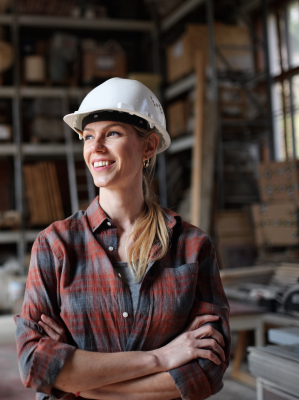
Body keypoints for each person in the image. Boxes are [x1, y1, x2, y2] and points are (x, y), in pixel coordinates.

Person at [15, 78, 230, 400]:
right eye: (88, 137)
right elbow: (35, 365)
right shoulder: (55, 245)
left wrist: (78, 378)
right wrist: (161, 358)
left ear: (149, 146)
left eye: (112, 133)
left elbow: (206, 370)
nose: (96, 147)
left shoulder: (192, 247)